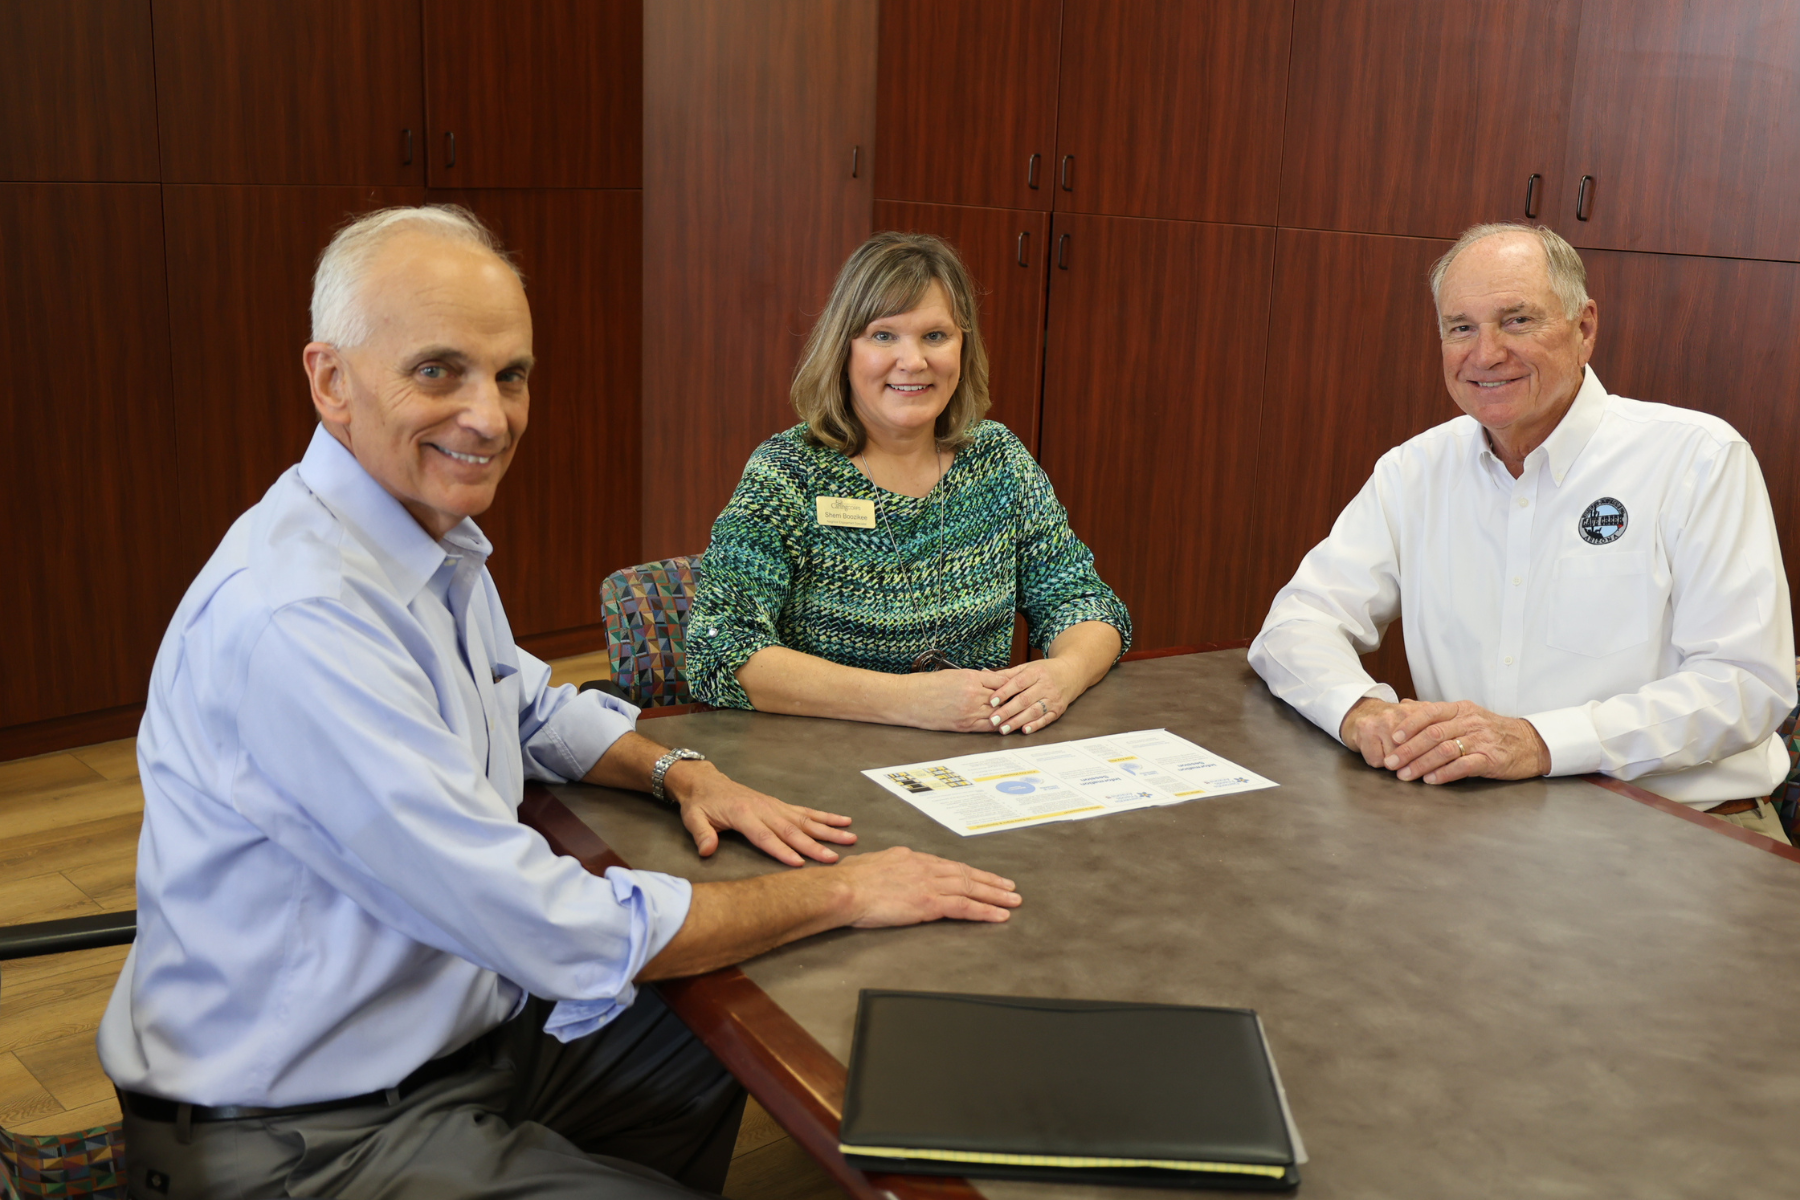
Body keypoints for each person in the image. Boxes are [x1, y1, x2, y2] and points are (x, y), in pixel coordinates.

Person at [98, 206, 1021, 1200]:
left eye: (511, 375)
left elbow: (528, 704)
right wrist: (844, 890)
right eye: (438, 371)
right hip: (306, 1134)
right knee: (739, 964)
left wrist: (680, 770)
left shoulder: (422, 539)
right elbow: (552, 926)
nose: (491, 417)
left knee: (718, 1022)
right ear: (332, 382)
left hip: (466, 1041)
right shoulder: (301, 619)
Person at [1248, 222, 1796, 843]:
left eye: (1516, 321)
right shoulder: (1414, 471)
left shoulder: (1698, 458)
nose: (1485, 354)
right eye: (1461, 328)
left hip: (1683, 829)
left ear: (1584, 327)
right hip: (1475, 827)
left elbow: (1746, 686)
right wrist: (1364, 714)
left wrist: (1539, 742)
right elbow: (1296, 625)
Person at [686, 232, 1132, 735]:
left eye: (935, 336)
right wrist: (907, 701)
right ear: (844, 350)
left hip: (974, 763)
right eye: (883, 336)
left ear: (963, 346)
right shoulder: (788, 474)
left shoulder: (998, 461)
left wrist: (1062, 675)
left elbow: (1083, 602)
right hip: (819, 766)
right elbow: (719, 651)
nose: (914, 361)